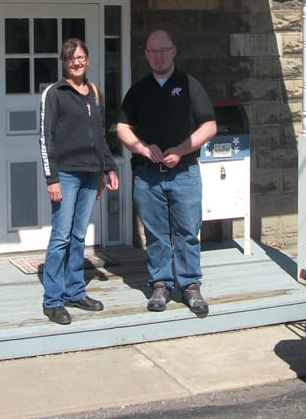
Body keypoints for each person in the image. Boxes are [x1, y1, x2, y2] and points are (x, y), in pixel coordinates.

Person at [116, 31, 217, 315]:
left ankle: (190, 286)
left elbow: (209, 125)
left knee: (187, 231)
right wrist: (144, 148)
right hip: (148, 176)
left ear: (174, 51)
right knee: (156, 234)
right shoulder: (138, 90)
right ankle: (160, 284)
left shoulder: (189, 85)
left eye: (164, 50)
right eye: (153, 51)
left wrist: (182, 150)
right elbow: (123, 127)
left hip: (184, 173)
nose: (158, 55)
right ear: (146, 54)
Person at [38, 38, 119, 325]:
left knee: (79, 235)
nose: (77, 62)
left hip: (90, 173)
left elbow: (99, 134)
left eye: (81, 57)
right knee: (61, 235)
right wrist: (52, 178)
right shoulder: (54, 92)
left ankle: (75, 290)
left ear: (88, 59)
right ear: (64, 61)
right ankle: (53, 299)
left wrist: (109, 167)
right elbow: (45, 138)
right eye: (71, 58)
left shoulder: (93, 92)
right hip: (67, 175)